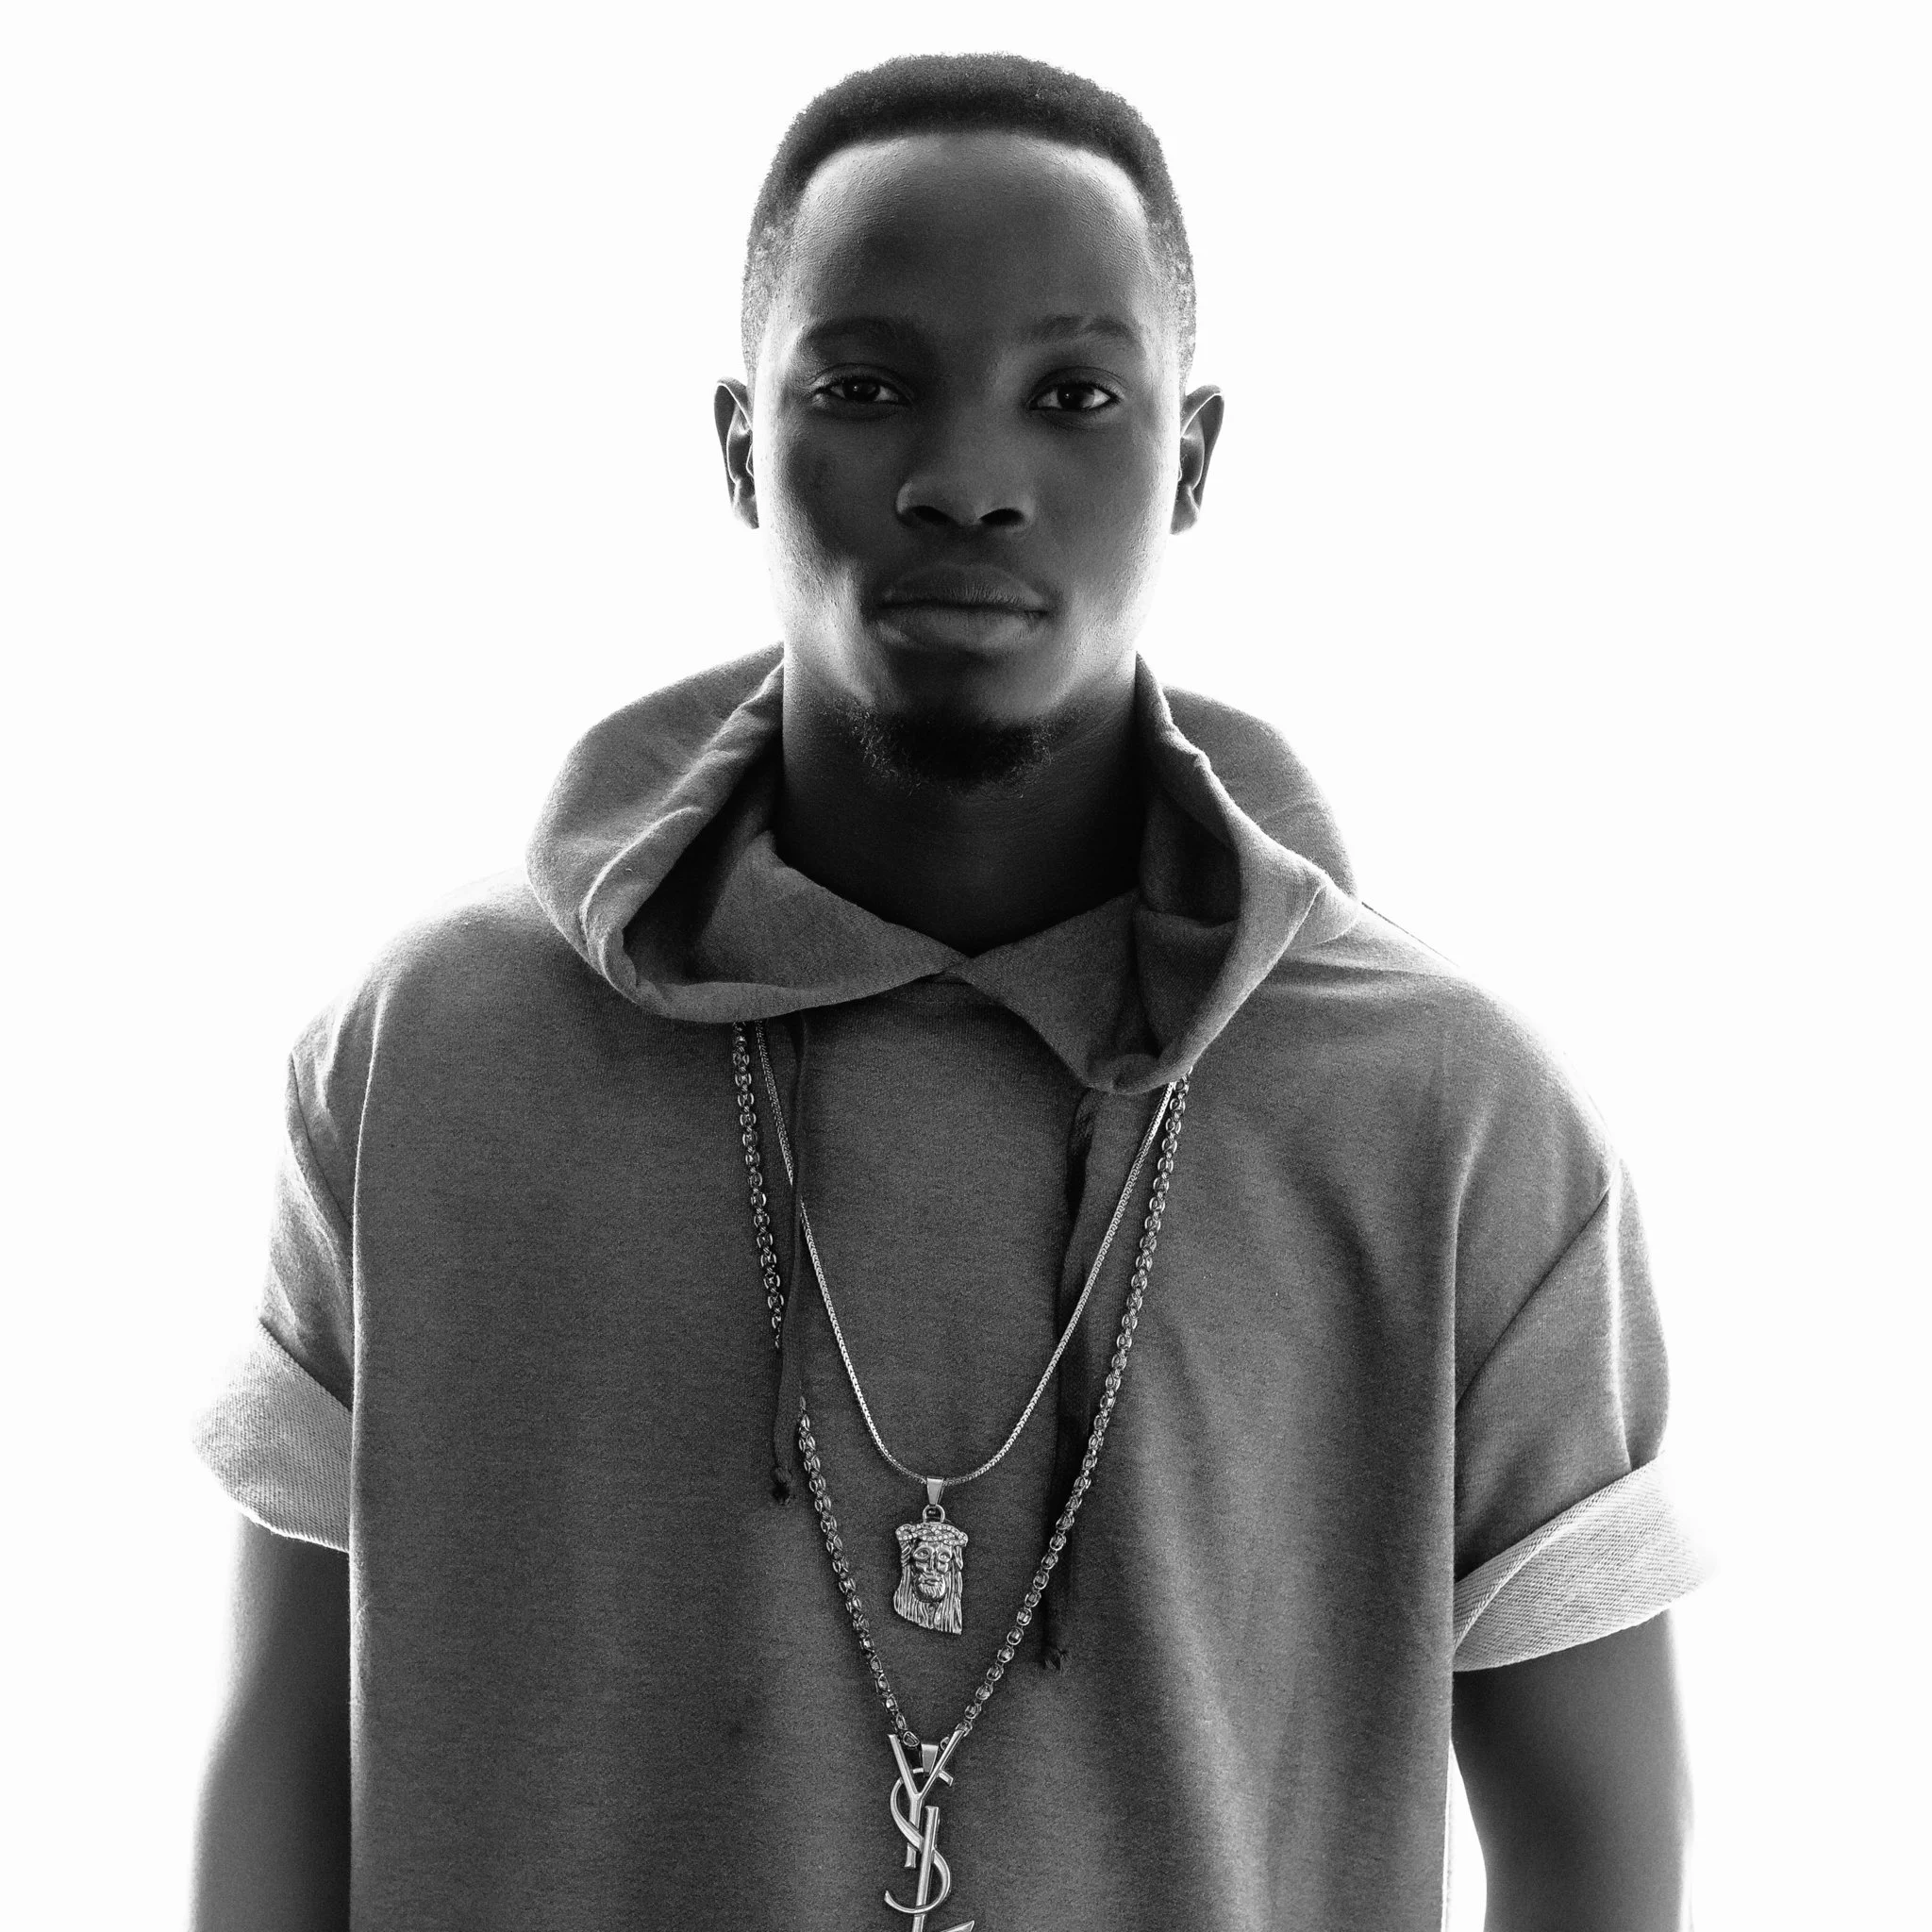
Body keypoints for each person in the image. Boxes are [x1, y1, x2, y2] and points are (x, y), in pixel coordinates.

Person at [190, 51, 1707, 1932]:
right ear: (744, 443)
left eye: (1072, 396)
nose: (966, 478)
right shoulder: (427, 1058)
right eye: (863, 387)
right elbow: (281, 1745)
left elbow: (1594, 1849)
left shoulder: (1451, 1120)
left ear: (1193, 452)